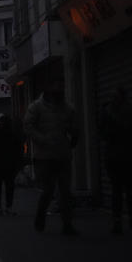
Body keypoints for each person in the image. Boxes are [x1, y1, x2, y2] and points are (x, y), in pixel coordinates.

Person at [24, 76, 80, 235]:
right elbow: (28, 126)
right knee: (48, 190)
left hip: (62, 154)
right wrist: (42, 139)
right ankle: (41, 215)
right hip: (45, 157)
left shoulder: (67, 108)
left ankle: (67, 224)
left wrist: (74, 136)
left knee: (65, 191)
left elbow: (73, 126)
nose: (58, 93)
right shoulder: (36, 107)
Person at [99, 87, 132, 233]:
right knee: (130, 190)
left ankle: (118, 221)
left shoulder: (107, 111)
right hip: (129, 155)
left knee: (117, 190)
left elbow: (102, 133)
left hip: (115, 156)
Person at [0, 113, 23, 216]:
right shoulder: (12, 133)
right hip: (9, 164)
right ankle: (8, 207)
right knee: (9, 186)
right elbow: (19, 149)